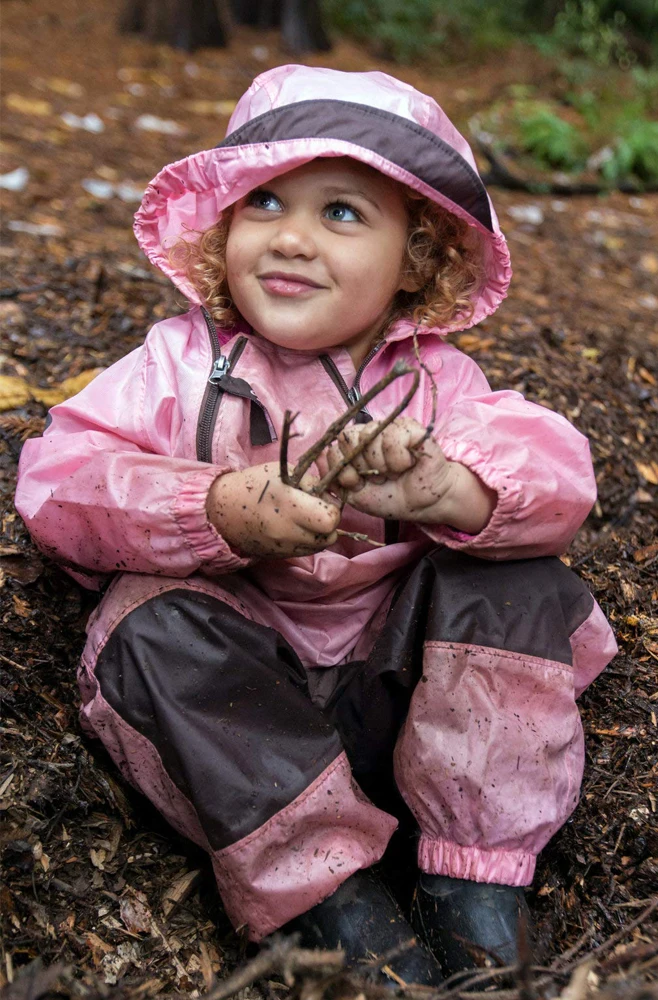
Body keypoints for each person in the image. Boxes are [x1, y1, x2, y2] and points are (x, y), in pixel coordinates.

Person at [14, 65, 617, 986]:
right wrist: (213, 508)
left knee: (516, 579)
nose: (292, 237)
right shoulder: (178, 363)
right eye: (264, 201)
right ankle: (333, 904)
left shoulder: (436, 382)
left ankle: (474, 888)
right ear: (223, 225)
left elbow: (560, 475)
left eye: (342, 212)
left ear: (416, 257)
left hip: (419, 695)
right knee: (147, 625)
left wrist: (448, 489)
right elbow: (61, 484)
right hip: (249, 711)